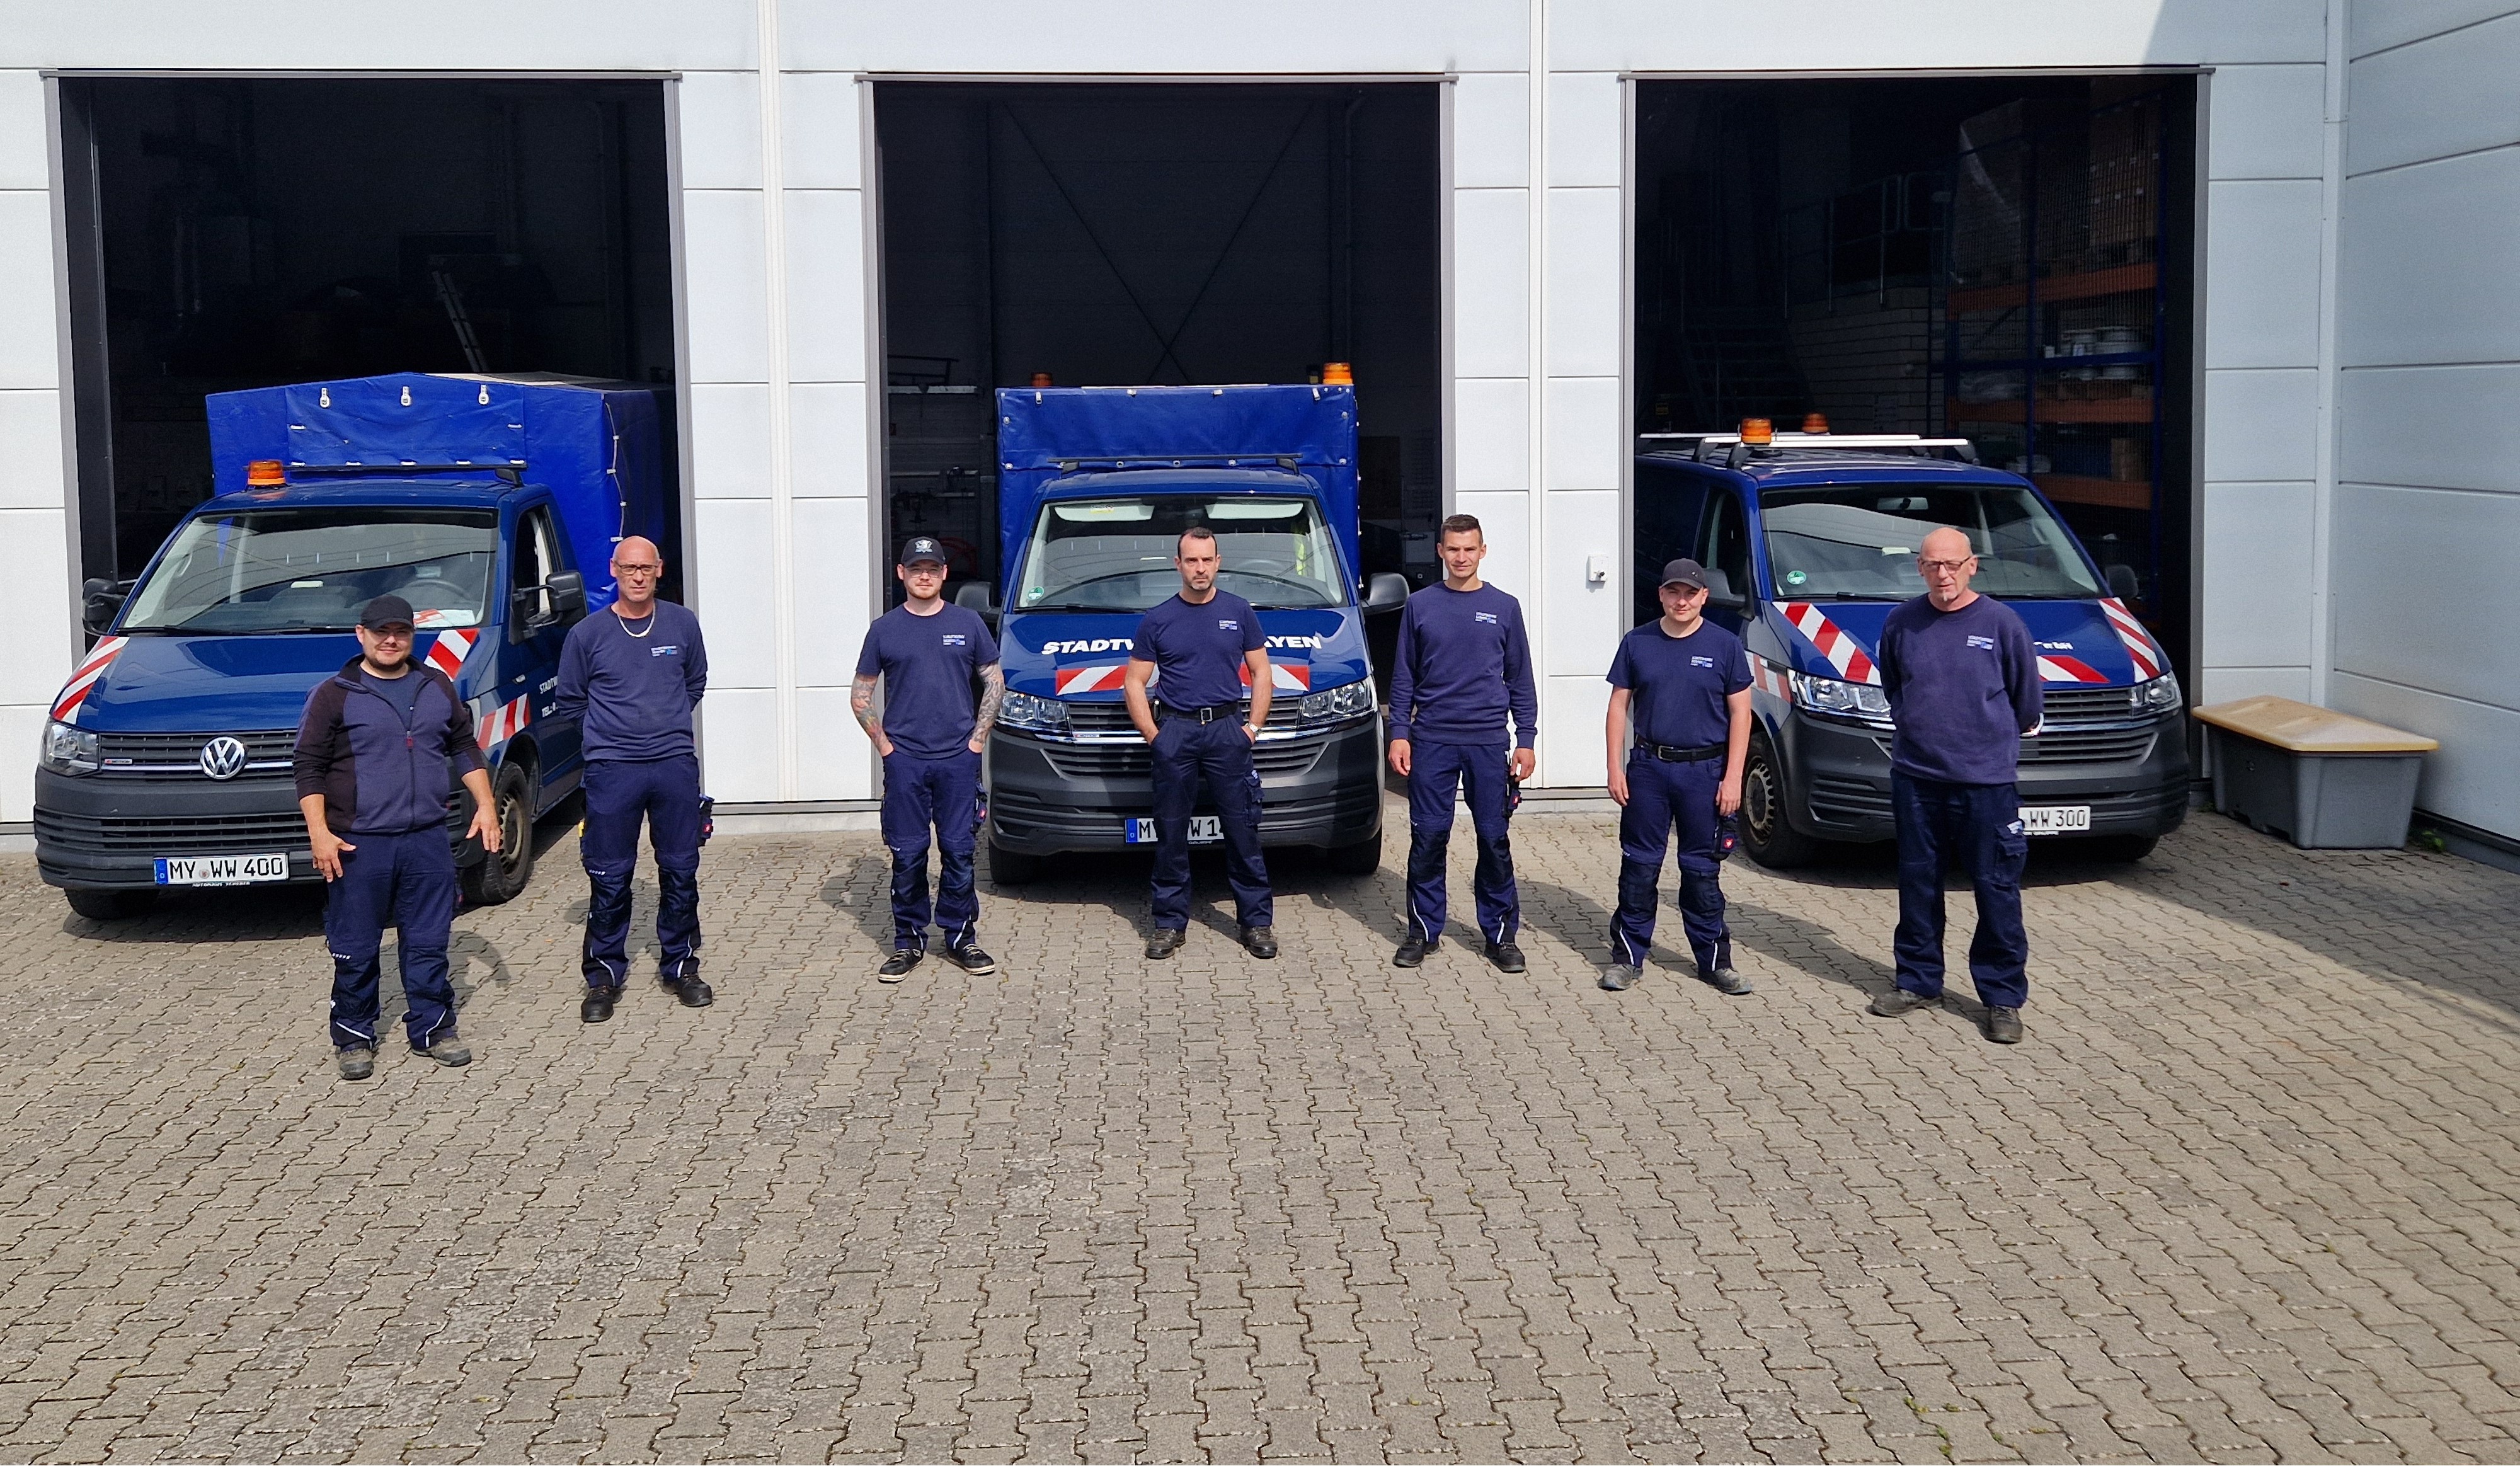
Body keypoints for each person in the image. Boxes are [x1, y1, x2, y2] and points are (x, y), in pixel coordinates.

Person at [294, 593, 501, 1079]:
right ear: (361, 635)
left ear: (412, 636)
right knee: (356, 945)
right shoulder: (334, 694)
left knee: (429, 940)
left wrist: (487, 804)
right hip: (358, 843)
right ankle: (354, 1036)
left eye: (401, 632)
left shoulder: (436, 685)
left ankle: (433, 1028)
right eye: (381, 632)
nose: (391, 640)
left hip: (426, 838)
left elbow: (463, 744)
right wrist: (319, 833)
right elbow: (308, 766)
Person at [1867, 524, 2043, 1044]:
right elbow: (1894, 687)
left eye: (1952, 564)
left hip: (1985, 783)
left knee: (1996, 888)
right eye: (1932, 565)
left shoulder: (2002, 624)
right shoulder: (1902, 622)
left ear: (1972, 566)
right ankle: (1918, 981)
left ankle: (2002, 997)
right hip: (1917, 778)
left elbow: (2027, 702)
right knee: (1918, 883)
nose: (1942, 574)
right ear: (1919, 568)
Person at [553, 535, 711, 1022]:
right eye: (629, 568)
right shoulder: (587, 634)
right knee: (610, 875)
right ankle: (603, 976)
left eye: (646, 568)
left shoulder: (682, 623)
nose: (638, 576)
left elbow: (695, 681)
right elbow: (571, 699)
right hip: (612, 770)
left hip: (673, 765)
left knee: (680, 869)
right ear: (614, 570)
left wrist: (663, 724)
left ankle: (681, 966)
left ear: (659, 569)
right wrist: (611, 736)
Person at [1387, 513, 1538, 972]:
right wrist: (1399, 733)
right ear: (1440, 551)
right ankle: (1422, 931)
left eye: (1469, 549)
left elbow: (1520, 679)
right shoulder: (1420, 605)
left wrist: (1526, 739)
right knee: (1428, 837)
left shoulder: (1504, 607)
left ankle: (1501, 937)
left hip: (1487, 741)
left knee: (1493, 839)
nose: (1461, 557)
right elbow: (1403, 676)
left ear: (1482, 551)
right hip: (1432, 739)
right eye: (1453, 549)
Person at [853, 537, 1005, 982]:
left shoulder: (967, 622)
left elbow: (995, 681)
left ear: (944, 574)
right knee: (908, 854)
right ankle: (908, 941)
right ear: (901, 573)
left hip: (958, 759)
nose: (925, 576)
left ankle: (960, 937)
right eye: (916, 568)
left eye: (933, 569)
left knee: (959, 852)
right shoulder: (884, 629)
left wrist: (977, 741)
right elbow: (860, 694)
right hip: (907, 762)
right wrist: (887, 748)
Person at [1600, 559, 1753, 995]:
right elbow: (1618, 706)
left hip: (1705, 773)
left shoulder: (1725, 645)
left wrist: (1734, 777)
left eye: (1690, 593)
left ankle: (1715, 963)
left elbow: (1742, 714)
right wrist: (1614, 766)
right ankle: (1627, 958)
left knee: (1701, 872)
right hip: (1649, 769)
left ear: (1704, 596)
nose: (1681, 601)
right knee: (1639, 867)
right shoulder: (1638, 642)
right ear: (1662, 595)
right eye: (1673, 592)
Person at [1123, 526, 1275, 960]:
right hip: (1177, 731)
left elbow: (1262, 672)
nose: (1200, 568)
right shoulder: (1158, 619)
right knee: (1171, 833)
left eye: (1207, 560)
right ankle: (1169, 923)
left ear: (1218, 562)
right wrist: (1155, 737)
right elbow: (1133, 683)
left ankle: (1256, 922)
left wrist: (1252, 728)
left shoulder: (1239, 611)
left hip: (1228, 730)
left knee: (1242, 829)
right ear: (1178, 564)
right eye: (1192, 560)